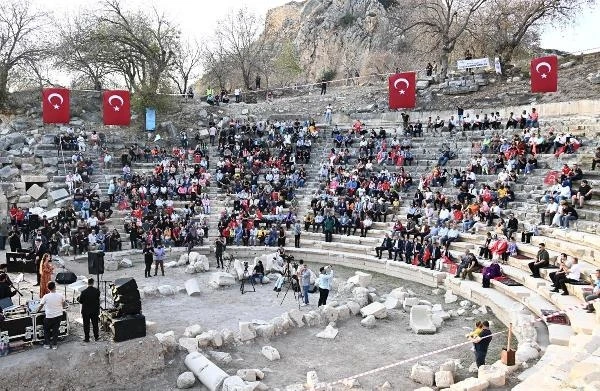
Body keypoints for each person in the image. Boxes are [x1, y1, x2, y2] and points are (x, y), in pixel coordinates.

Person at [36, 281, 66, 350]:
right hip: (58, 316)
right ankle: (54, 345)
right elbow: (64, 305)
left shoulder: (46, 296)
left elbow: (41, 306)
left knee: (46, 330)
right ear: (55, 287)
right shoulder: (60, 295)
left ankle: (47, 344)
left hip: (49, 316)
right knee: (55, 330)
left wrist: (36, 311)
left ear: (48, 288)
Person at [77, 278, 100, 342]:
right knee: (95, 324)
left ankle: (87, 338)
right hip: (94, 310)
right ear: (93, 283)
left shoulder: (83, 292)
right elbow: (98, 299)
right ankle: (96, 337)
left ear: (87, 283)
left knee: (86, 324)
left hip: (86, 311)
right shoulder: (97, 291)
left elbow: (80, 301)